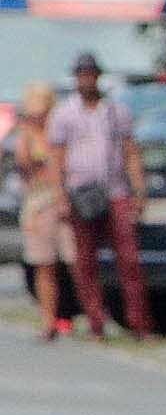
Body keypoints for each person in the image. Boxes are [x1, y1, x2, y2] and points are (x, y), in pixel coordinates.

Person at [46, 55, 150, 339]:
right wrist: (60, 195)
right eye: (82, 75)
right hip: (81, 192)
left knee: (128, 258)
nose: (86, 80)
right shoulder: (64, 114)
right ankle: (95, 321)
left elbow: (130, 152)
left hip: (114, 189)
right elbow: (55, 157)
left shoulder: (115, 111)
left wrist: (138, 190)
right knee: (85, 260)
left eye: (90, 75)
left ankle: (138, 322)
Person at [15, 82, 78, 336]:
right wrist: (27, 134)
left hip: (64, 200)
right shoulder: (27, 135)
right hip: (38, 204)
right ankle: (48, 319)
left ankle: (74, 314)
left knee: (74, 261)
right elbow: (23, 164)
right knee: (44, 264)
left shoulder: (60, 131)